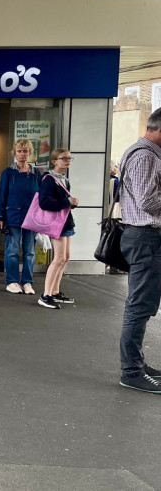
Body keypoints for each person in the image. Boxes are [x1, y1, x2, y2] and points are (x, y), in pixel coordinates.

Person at [117, 108, 161, 393]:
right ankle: (131, 371)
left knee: (143, 305)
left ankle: (137, 364)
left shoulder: (144, 153)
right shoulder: (146, 156)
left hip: (145, 238)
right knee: (139, 306)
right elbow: (148, 201)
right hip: (146, 238)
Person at [0, 139, 41, 295]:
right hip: (13, 215)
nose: (22, 154)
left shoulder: (35, 173)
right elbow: (1, 195)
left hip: (31, 217)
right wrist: (0, 216)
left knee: (30, 251)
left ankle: (27, 282)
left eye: (25, 151)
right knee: (12, 250)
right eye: (19, 151)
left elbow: (41, 196)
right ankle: (12, 281)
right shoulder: (8, 173)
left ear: (30, 153)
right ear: (14, 153)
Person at [35, 148, 78, 309]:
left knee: (65, 257)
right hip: (57, 223)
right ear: (54, 161)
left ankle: (55, 291)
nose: (68, 161)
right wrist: (68, 202)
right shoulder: (49, 179)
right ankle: (45, 295)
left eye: (69, 158)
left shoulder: (63, 179)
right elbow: (44, 203)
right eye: (64, 158)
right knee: (59, 258)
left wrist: (70, 203)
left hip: (65, 221)